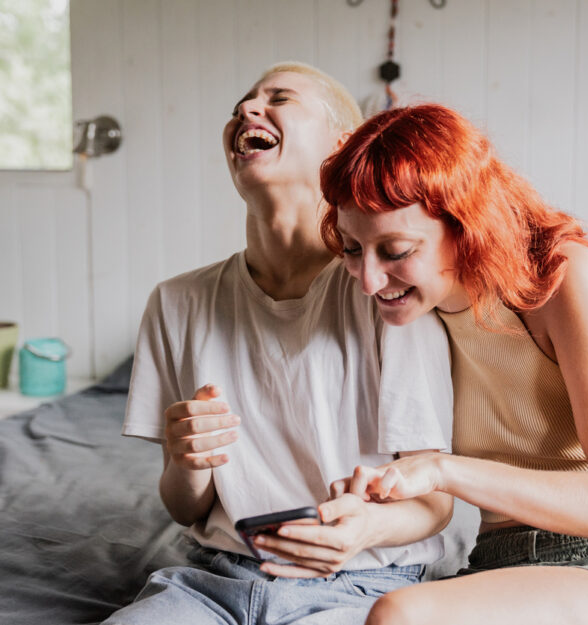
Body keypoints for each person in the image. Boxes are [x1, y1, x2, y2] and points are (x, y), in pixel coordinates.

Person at [317, 104, 588, 625]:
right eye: (353, 249)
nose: (370, 280)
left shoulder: (565, 279)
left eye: (396, 250)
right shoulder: (409, 312)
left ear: (465, 225)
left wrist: (443, 470)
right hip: (500, 566)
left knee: (401, 614)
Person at [104, 64, 454, 625]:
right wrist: (189, 460)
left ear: (342, 149)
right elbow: (183, 506)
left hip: (364, 582)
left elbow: (436, 500)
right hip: (213, 579)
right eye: (242, 102)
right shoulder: (176, 302)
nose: (247, 110)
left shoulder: (388, 296)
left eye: (280, 98)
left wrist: (366, 529)